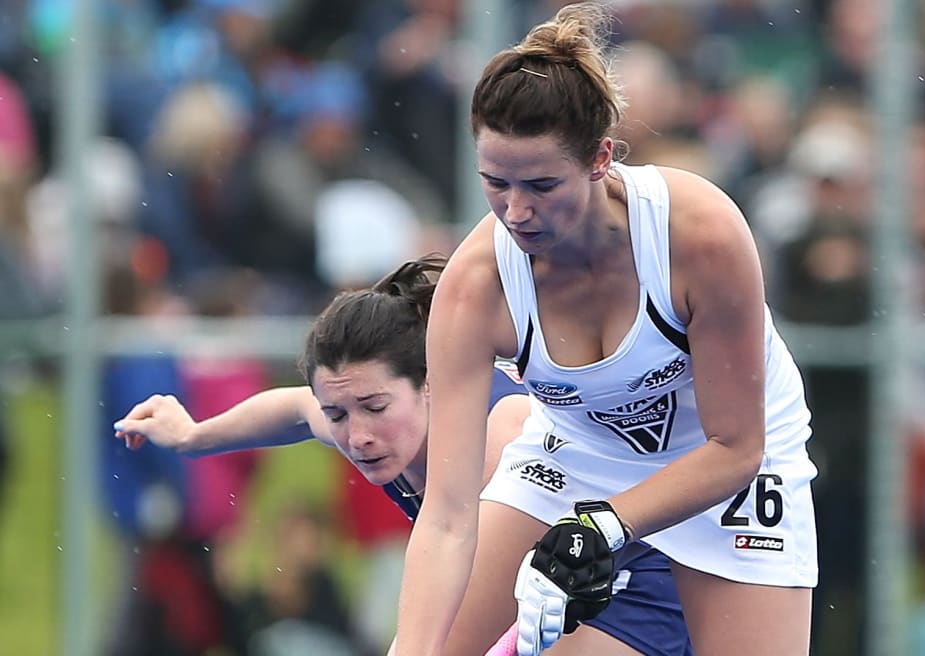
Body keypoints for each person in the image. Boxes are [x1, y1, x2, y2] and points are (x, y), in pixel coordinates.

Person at [393, 4, 818, 656]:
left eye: (540, 184)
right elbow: (449, 518)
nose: (516, 211)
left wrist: (604, 528)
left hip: (727, 458)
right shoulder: (476, 288)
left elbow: (736, 448)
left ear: (601, 159)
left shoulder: (699, 234)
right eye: (494, 183)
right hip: (581, 453)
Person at [114, 254, 693, 656]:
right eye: (338, 415)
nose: (356, 436)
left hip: (647, 580)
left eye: (373, 407)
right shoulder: (353, 410)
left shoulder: (503, 436)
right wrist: (193, 434)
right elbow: (293, 409)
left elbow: (442, 626)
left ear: (433, 385)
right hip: (554, 592)